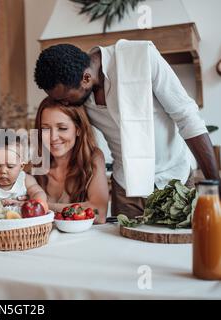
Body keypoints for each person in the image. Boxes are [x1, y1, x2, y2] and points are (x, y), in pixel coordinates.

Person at [34, 42, 221, 218]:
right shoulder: (76, 90)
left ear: (86, 78)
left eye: (66, 98)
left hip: (173, 179)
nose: (64, 103)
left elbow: (187, 118)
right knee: (124, 248)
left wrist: (215, 186)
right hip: (125, 189)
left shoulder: (142, 57)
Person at [35, 97, 108, 224]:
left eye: (62, 128)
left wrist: (41, 206)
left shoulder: (93, 157)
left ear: (78, 129)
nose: (53, 138)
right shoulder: (34, 163)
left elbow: (99, 213)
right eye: (45, 129)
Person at [0, 135, 48, 208]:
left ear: (21, 166)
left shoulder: (26, 180)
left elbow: (38, 193)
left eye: (10, 166)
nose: (3, 171)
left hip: (24, 218)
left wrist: (35, 202)